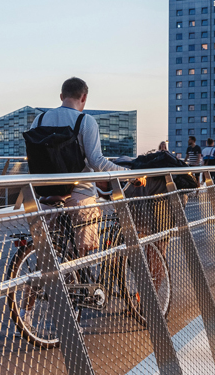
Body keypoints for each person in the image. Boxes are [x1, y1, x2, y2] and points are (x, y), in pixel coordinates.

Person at [30, 77, 129, 252]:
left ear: (61, 96)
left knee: (50, 254)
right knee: (81, 255)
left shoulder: (39, 119)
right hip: (79, 196)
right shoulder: (85, 121)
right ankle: (77, 277)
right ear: (83, 97)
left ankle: (53, 277)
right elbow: (97, 162)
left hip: (46, 197)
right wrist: (128, 172)